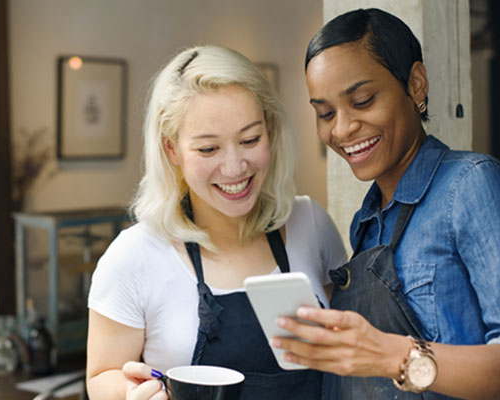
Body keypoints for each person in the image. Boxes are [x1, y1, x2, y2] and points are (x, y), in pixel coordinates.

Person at [271, 8, 500, 400]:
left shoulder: (472, 186)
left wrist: (395, 355)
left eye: (362, 101)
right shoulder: (368, 220)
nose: (342, 128)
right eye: (325, 113)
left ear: (415, 84)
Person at [85, 45, 347, 400]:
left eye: (250, 139)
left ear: (270, 131)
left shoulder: (311, 225)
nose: (235, 167)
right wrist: (130, 394)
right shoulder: (134, 256)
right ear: (171, 150)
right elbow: (102, 376)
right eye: (209, 149)